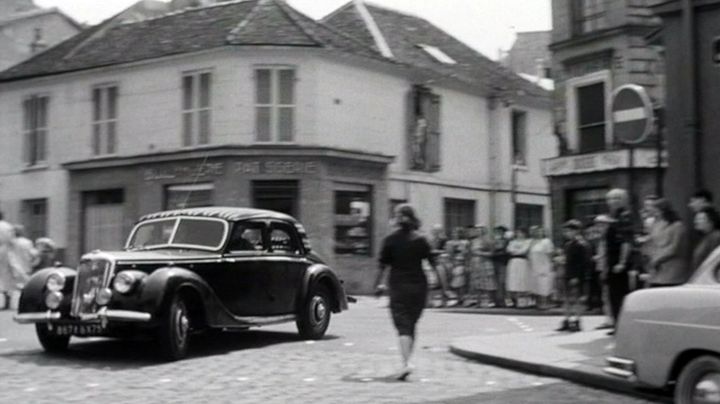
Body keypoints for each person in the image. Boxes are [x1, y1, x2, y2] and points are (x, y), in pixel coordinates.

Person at [374, 204, 436, 380]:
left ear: (397, 219)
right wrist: (442, 287)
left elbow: (382, 266)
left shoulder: (390, 240)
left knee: (403, 326)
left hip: (399, 287)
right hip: (419, 288)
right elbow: (433, 264)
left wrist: (377, 285)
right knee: (411, 324)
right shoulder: (422, 240)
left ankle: (406, 363)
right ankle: (406, 362)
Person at [605, 188, 634, 335]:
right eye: (610, 199)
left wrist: (622, 262)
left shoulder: (624, 216)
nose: (611, 202)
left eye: (615, 198)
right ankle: (617, 325)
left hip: (618, 263)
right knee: (613, 296)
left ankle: (623, 326)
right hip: (611, 261)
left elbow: (626, 241)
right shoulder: (614, 216)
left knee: (620, 295)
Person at [556, 220, 590, 332]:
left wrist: (577, 276)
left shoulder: (582, 244)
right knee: (566, 298)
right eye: (566, 231)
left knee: (576, 299)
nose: (566, 233)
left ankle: (577, 321)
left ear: (576, 231)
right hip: (567, 273)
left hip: (576, 275)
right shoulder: (568, 244)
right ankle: (567, 320)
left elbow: (583, 263)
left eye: (569, 230)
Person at [648, 198, 690, 287]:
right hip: (657, 267)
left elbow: (674, 247)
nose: (655, 214)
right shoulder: (655, 224)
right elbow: (652, 242)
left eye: (657, 211)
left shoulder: (677, 225)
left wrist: (658, 259)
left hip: (672, 267)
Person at [592, 214, 616, 330]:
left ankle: (611, 320)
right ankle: (608, 319)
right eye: (598, 224)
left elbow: (606, 255)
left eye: (601, 224)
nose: (598, 227)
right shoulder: (601, 239)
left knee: (607, 295)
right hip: (601, 268)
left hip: (605, 269)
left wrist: (599, 259)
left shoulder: (607, 238)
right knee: (604, 296)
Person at [0, 221, 29, 310]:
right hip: (5, 250)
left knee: (3, 276)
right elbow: (11, 240)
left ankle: (6, 299)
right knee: (8, 275)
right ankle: (8, 300)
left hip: (3, 249)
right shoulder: (7, 226)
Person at [470, 225, 497, 308]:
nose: (479, 232)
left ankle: (490, 301)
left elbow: (492, 253)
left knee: (488, 282)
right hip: (476, 263)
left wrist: (481, 253)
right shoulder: (474, 241)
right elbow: (471, 253)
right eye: (477, 230)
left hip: (485, 262)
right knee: (477, 283)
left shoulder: (488, 241)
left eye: (481, 230)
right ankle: (478, 302)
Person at [529, 226, 555, 310]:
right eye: (537, 231)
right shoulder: (533, 242)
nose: (538, 233)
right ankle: (537, 303)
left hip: (544, 265)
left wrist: (550, 265)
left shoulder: (547, 241)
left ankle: (545, 303)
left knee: (544, 285)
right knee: (535, 285)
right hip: (534, 266)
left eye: (541, 232)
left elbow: (550, 254)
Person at [505, 228, 532, 308]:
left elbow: (524, 250)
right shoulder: (512, 242)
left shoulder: (528, 241)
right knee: (514, 280)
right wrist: (516, 251)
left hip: (523, 262)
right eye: (518, 233)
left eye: (521, 233)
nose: (520, 234)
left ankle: (523, 302)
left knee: (522, 280)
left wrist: (516, 250)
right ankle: (514, 300)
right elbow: (509, 250)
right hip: (514, 262)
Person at [692, 207, 720, 272]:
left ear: (711, 221)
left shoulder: (716, 237)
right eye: (696, 218)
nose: (696, 221)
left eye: (700, 219)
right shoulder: (706, 237)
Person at [491, 225, 510, 307]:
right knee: (494, 282)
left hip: (503, 263)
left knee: (501, 282)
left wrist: (497, 252)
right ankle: (495, 301)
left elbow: (506, 252)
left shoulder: (506, 241)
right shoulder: (493, 241)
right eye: (497, 232)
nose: (498, 233)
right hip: (494, 262)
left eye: (500, 232)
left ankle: (502, 300)